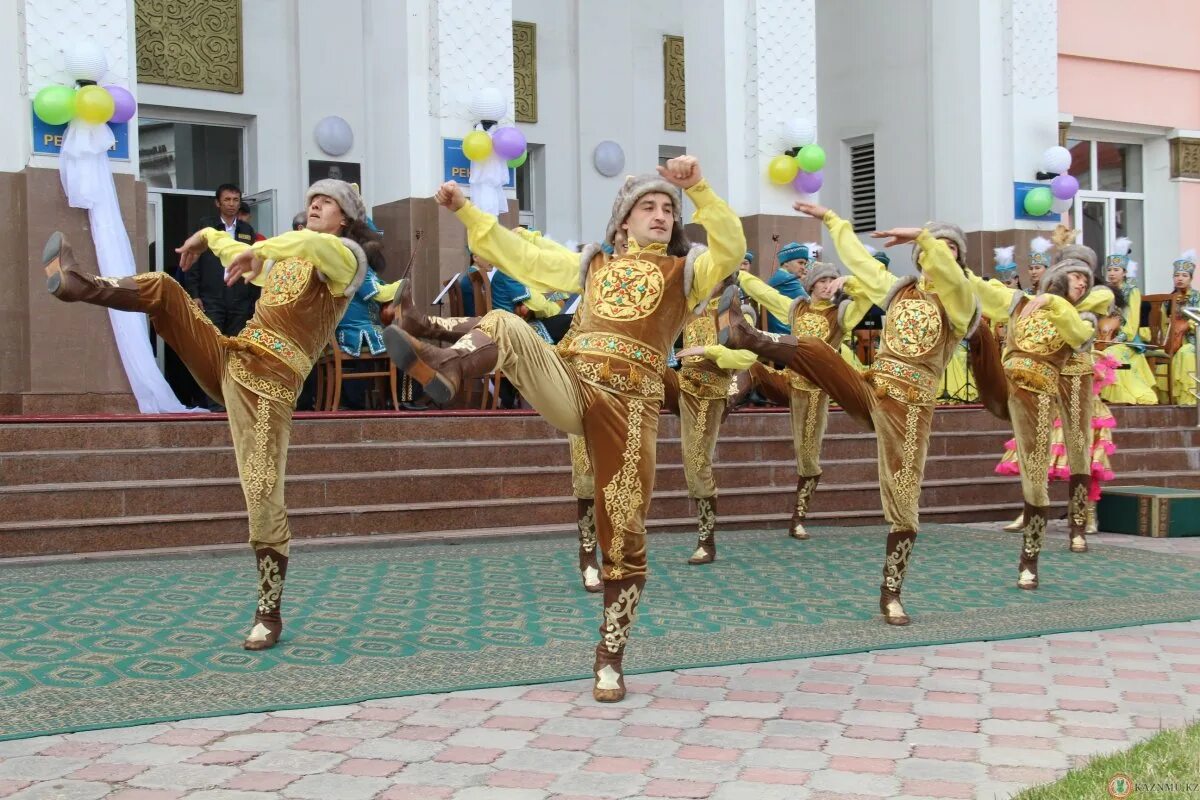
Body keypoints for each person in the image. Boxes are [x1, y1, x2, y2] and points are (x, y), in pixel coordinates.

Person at [384, 156, 745, 701]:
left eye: (668, 209)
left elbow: (732, 248)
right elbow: (524, 255)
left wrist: (701, 189)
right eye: (648, 206)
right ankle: (448, 367)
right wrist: (467, 213)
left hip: (630, 405)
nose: (661, 215)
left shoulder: (688, 271)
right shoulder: (593, 263)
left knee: (623, 533)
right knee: (506, 322)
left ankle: (610, 656)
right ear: (623, 220)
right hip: (573, 383)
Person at [43, 179, 377, 651]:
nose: (315, 205)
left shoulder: (344, 260)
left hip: (269, 391)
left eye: (326, 202)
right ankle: (83, 285)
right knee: (164, 288)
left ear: (345, 218)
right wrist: (209, 236)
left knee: (262, 497)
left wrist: (253, 250)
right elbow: (238, 253)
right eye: (310, 200)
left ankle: (268, 612)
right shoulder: (285, 260)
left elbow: (304, 242)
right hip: (231, 357)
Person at [718, 201, 979, 627]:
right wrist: (832, 221)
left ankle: (891, 590)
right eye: (937, 247)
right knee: (817, 349)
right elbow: (861, 261)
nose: (942, 255)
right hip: (873, 387)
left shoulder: (962, 303)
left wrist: (929, 237)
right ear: (918, 258)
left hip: (910, 407)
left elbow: (952, 277)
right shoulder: (899, 291)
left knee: (902, 494)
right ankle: (753, 340)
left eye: (952, 249)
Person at [966, 258, 1099, 585]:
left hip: (1075, 372)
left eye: (1086, 278)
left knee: (1078, 444)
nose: (1082, 283)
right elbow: (986, 290)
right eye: (1076, 277)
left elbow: (1085, 327)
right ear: (1057, 277)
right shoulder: (1021, 303)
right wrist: (951, 265)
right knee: (1036, 463)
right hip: (1030, 383)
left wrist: (1053, 300)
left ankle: (1078, 524)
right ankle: (1031, 544)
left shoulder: (1084, 312)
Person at [724, 261, 872, 540]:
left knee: (807, 457)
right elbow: (764, 293)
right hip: (787, 382)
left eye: (832, 280)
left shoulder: (842, 315)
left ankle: (798, 518)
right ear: (812, 284)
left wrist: (849, 282)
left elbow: (867, 297)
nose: (828, 285)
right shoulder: (797, 308)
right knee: (752, 367)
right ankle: (725, 402)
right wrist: (735, 270)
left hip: (814, 393)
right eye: (823, 280)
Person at [183, 184, 261, 338]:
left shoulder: (246, 230)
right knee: (211, 343)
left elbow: (253, 263)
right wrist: (194, 294)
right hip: (211, 298)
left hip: (240, 299)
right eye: (227, 199)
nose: (232, 204)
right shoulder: (206, 226)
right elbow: (193, 261)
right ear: (218, 203)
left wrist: (253, 300)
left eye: (235, 200)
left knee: (236, 344)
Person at [1101, 238, 1159, 405]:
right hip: (1106, 338)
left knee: (1110, 354)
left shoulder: (1131, 291)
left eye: (1116, 270)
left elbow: (1132, 324)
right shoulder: (1104, 291)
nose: (1112, 273)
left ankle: (1123, 393)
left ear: (1124, 272)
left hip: (1128, 341)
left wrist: (1117, 339)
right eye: (1110, 270)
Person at [1166, 250, 1198, 404]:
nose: (1180, 279)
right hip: (1173, 338)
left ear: (1191, 278)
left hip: (1194, 339)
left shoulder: (1197, 297)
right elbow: (1163, 321)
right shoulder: (1169, 299)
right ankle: (1170, 400)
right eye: (1177, 275)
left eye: (1184, 276)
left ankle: (1189, 398)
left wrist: (1187, 325)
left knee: (1185, 353)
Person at [764, 242, 809, 334]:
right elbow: (810, 304)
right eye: (800, 263)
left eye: (805, 264)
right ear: (786, 263)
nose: (803, 267)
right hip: (786, 333)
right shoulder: (787, 279)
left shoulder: (781, 276)